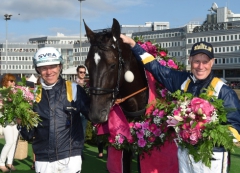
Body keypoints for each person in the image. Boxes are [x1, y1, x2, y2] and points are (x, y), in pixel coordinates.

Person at [120, 34, 240, 173]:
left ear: (212, 62)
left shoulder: (224, 92)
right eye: (196, 61)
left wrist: (207, 133)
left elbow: (236, 129)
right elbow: (155, 68)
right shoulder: (182, 80)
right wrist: (133, 45)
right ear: (190, 60)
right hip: (185, 152)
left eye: (205, 61)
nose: (200, 66)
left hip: (212, 156)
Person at [17, 47, 90, 173]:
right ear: (37, 69)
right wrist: (21, 121)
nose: (49, 71)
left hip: (71, 157)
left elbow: (93, 116)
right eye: (44, 68)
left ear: (60, 66)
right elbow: (28, 135)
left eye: (53, 66)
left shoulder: (74, 89)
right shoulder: (32, 95)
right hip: (43, 159)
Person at [0, 74, 18, 172]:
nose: (13, 83)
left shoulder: (16, 92)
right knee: (9, 142)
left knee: (14, 142)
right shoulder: (2, 93)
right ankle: (1, 163)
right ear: (5, 82)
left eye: (13, 81)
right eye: (11, 81)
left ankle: (9, 162)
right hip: (6, 120)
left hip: (15, 120)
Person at [76, 65, 88, 159]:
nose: (83, 74)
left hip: (84, 112)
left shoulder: (87, 84)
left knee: (82, 133)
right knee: (74, 132)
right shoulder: (73, 84)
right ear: (77, 72)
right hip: (75, 111)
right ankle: (74, 151)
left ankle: (80, 151)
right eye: (81, 72)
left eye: (84, 72)